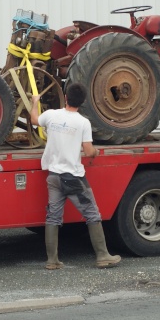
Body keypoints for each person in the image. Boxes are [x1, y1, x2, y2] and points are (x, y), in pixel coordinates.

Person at [30, 83, 121, 269]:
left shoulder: (52, 115)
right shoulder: (82, 122)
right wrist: (95, 152)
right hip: (73, 179)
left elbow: (34, 120)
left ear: (65, 96)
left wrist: (34, 102)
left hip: (53, 176)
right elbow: (88, 151)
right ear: (83, 102)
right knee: (92, 215)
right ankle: (103, 256)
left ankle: (52, 261)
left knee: (53, 218)